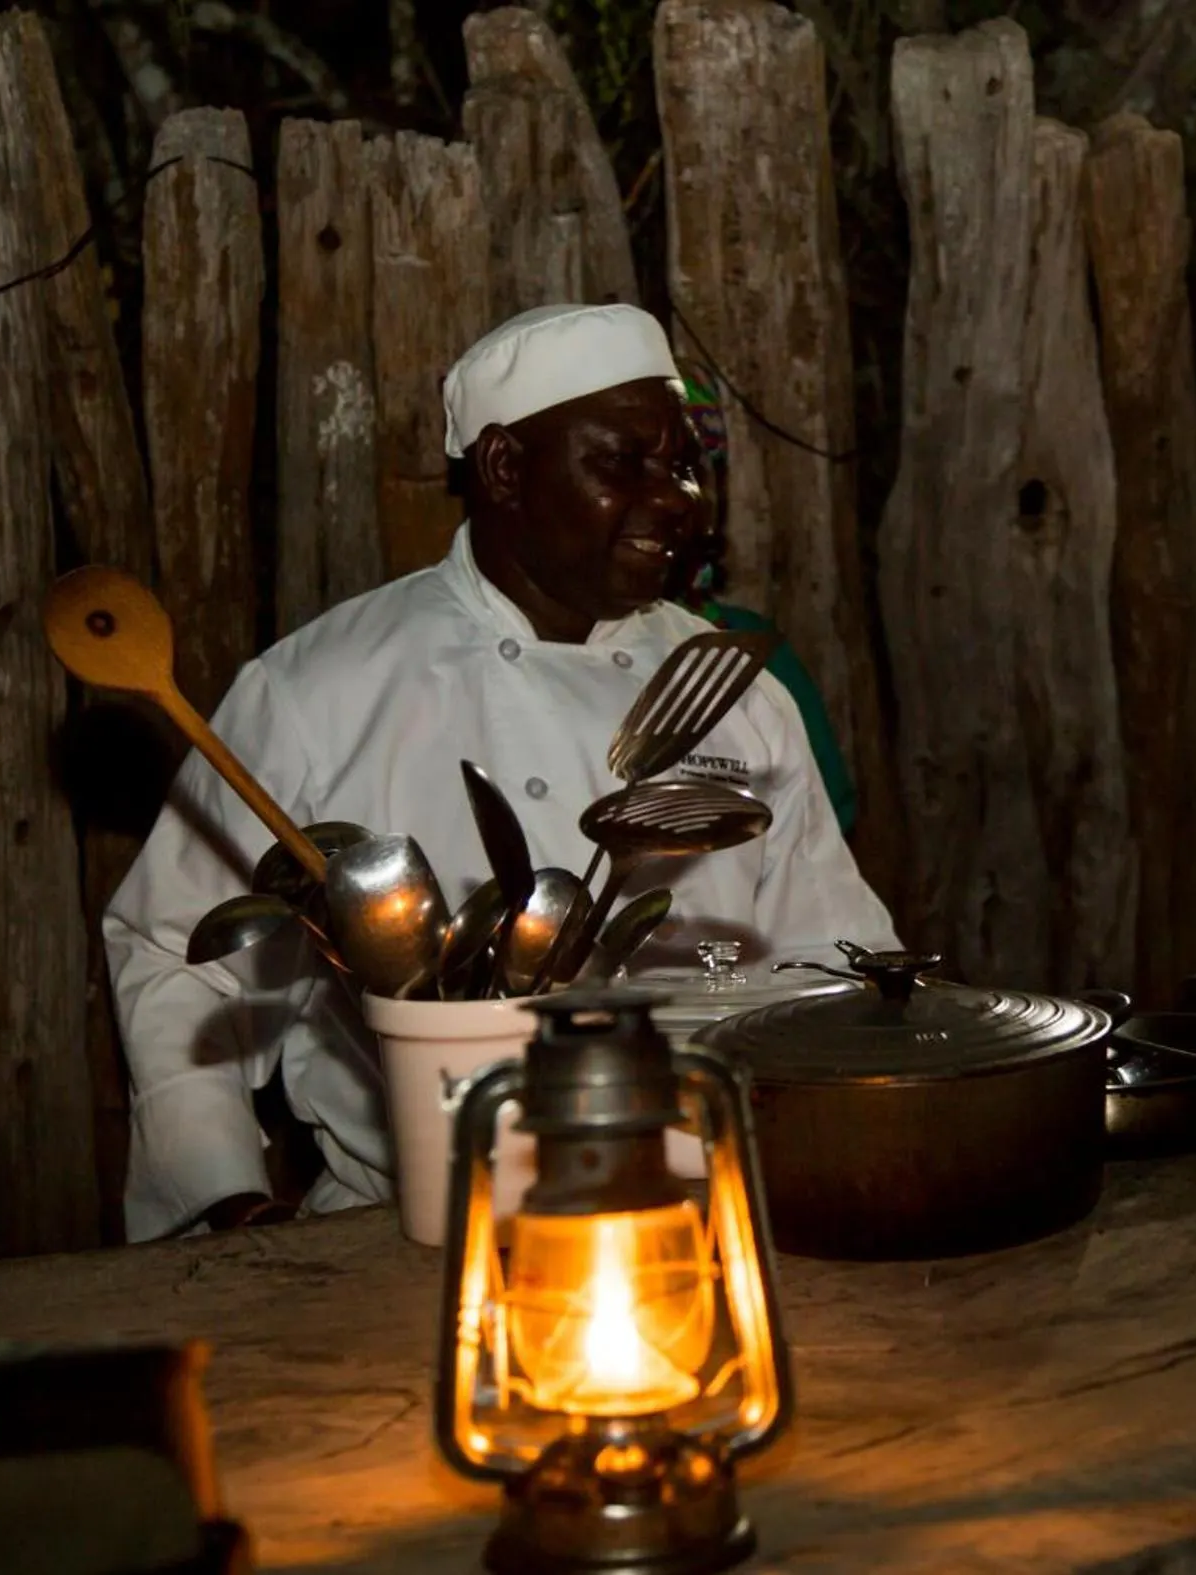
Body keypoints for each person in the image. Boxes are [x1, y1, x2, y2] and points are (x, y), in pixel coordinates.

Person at [103, 303, 901, 1241]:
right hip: (408, 1231)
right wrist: (224, 1195)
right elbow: (171, 952)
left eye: (684, 463)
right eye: (622, 462)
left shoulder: (734, 692)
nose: (678, 496)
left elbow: (832, 961)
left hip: (707, 1207)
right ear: (505, 470)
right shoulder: (318, 687)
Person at [674, 362, 860, 838]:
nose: (666, 499)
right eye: (629, 471)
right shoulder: (544, 649)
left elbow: (823, 833)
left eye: (693, 470)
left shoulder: (755, 654)